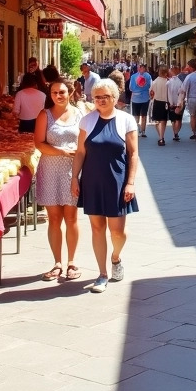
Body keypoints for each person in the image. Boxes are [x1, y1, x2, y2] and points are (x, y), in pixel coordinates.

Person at [71, 79, 139, 294]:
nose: (100, 101)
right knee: (97, 227)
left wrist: (130, 182)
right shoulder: (87, 121)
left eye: (105, 97)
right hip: (92, 180)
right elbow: (81, 151)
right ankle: (102, 274)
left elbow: (133, 153)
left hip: (117, 181)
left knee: (117, 232)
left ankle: (115, 257)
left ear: (114, 98)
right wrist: (74, 177)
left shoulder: (126, 120)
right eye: (97, 97)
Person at [34, 79, 83, 282]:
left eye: (62, 92)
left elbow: (84, 143)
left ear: (70, 93)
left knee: (71, 218)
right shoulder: (44, 115)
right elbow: (38, 143)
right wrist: (61, 151)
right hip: (50, 169)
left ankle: (71, 262)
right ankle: (57, 263)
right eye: (54, 92)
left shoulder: (80, 114)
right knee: (53, 219)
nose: (58, 96)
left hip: (72, 171)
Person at [129, 63, 152, 138]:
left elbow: (131, 88)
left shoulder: (133, 77)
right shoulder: (148, 76)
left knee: (137, 116)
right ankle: (143, 131)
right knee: (143, 116)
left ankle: (138, 130)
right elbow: (150, 86)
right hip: (145, 98)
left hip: (136, 98)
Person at [150, 66, 171, 146]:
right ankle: (161, 137)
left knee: (157, 121)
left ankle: (161, 137)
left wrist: (152, 97)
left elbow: (151, 92)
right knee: (163, 121)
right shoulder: (168, 82)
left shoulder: (155, 81)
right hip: (165, 102)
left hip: (156, 102)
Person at [165, 64, 185, 141]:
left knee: (173, 120)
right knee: (178, 119)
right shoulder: (180, 82)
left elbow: (168, 93)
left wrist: (170, 102)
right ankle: (176, 133)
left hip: (171, 103)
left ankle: (174, 133)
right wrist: (179, 103)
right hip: (178, 103)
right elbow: (182, 93)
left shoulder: (169, 82)